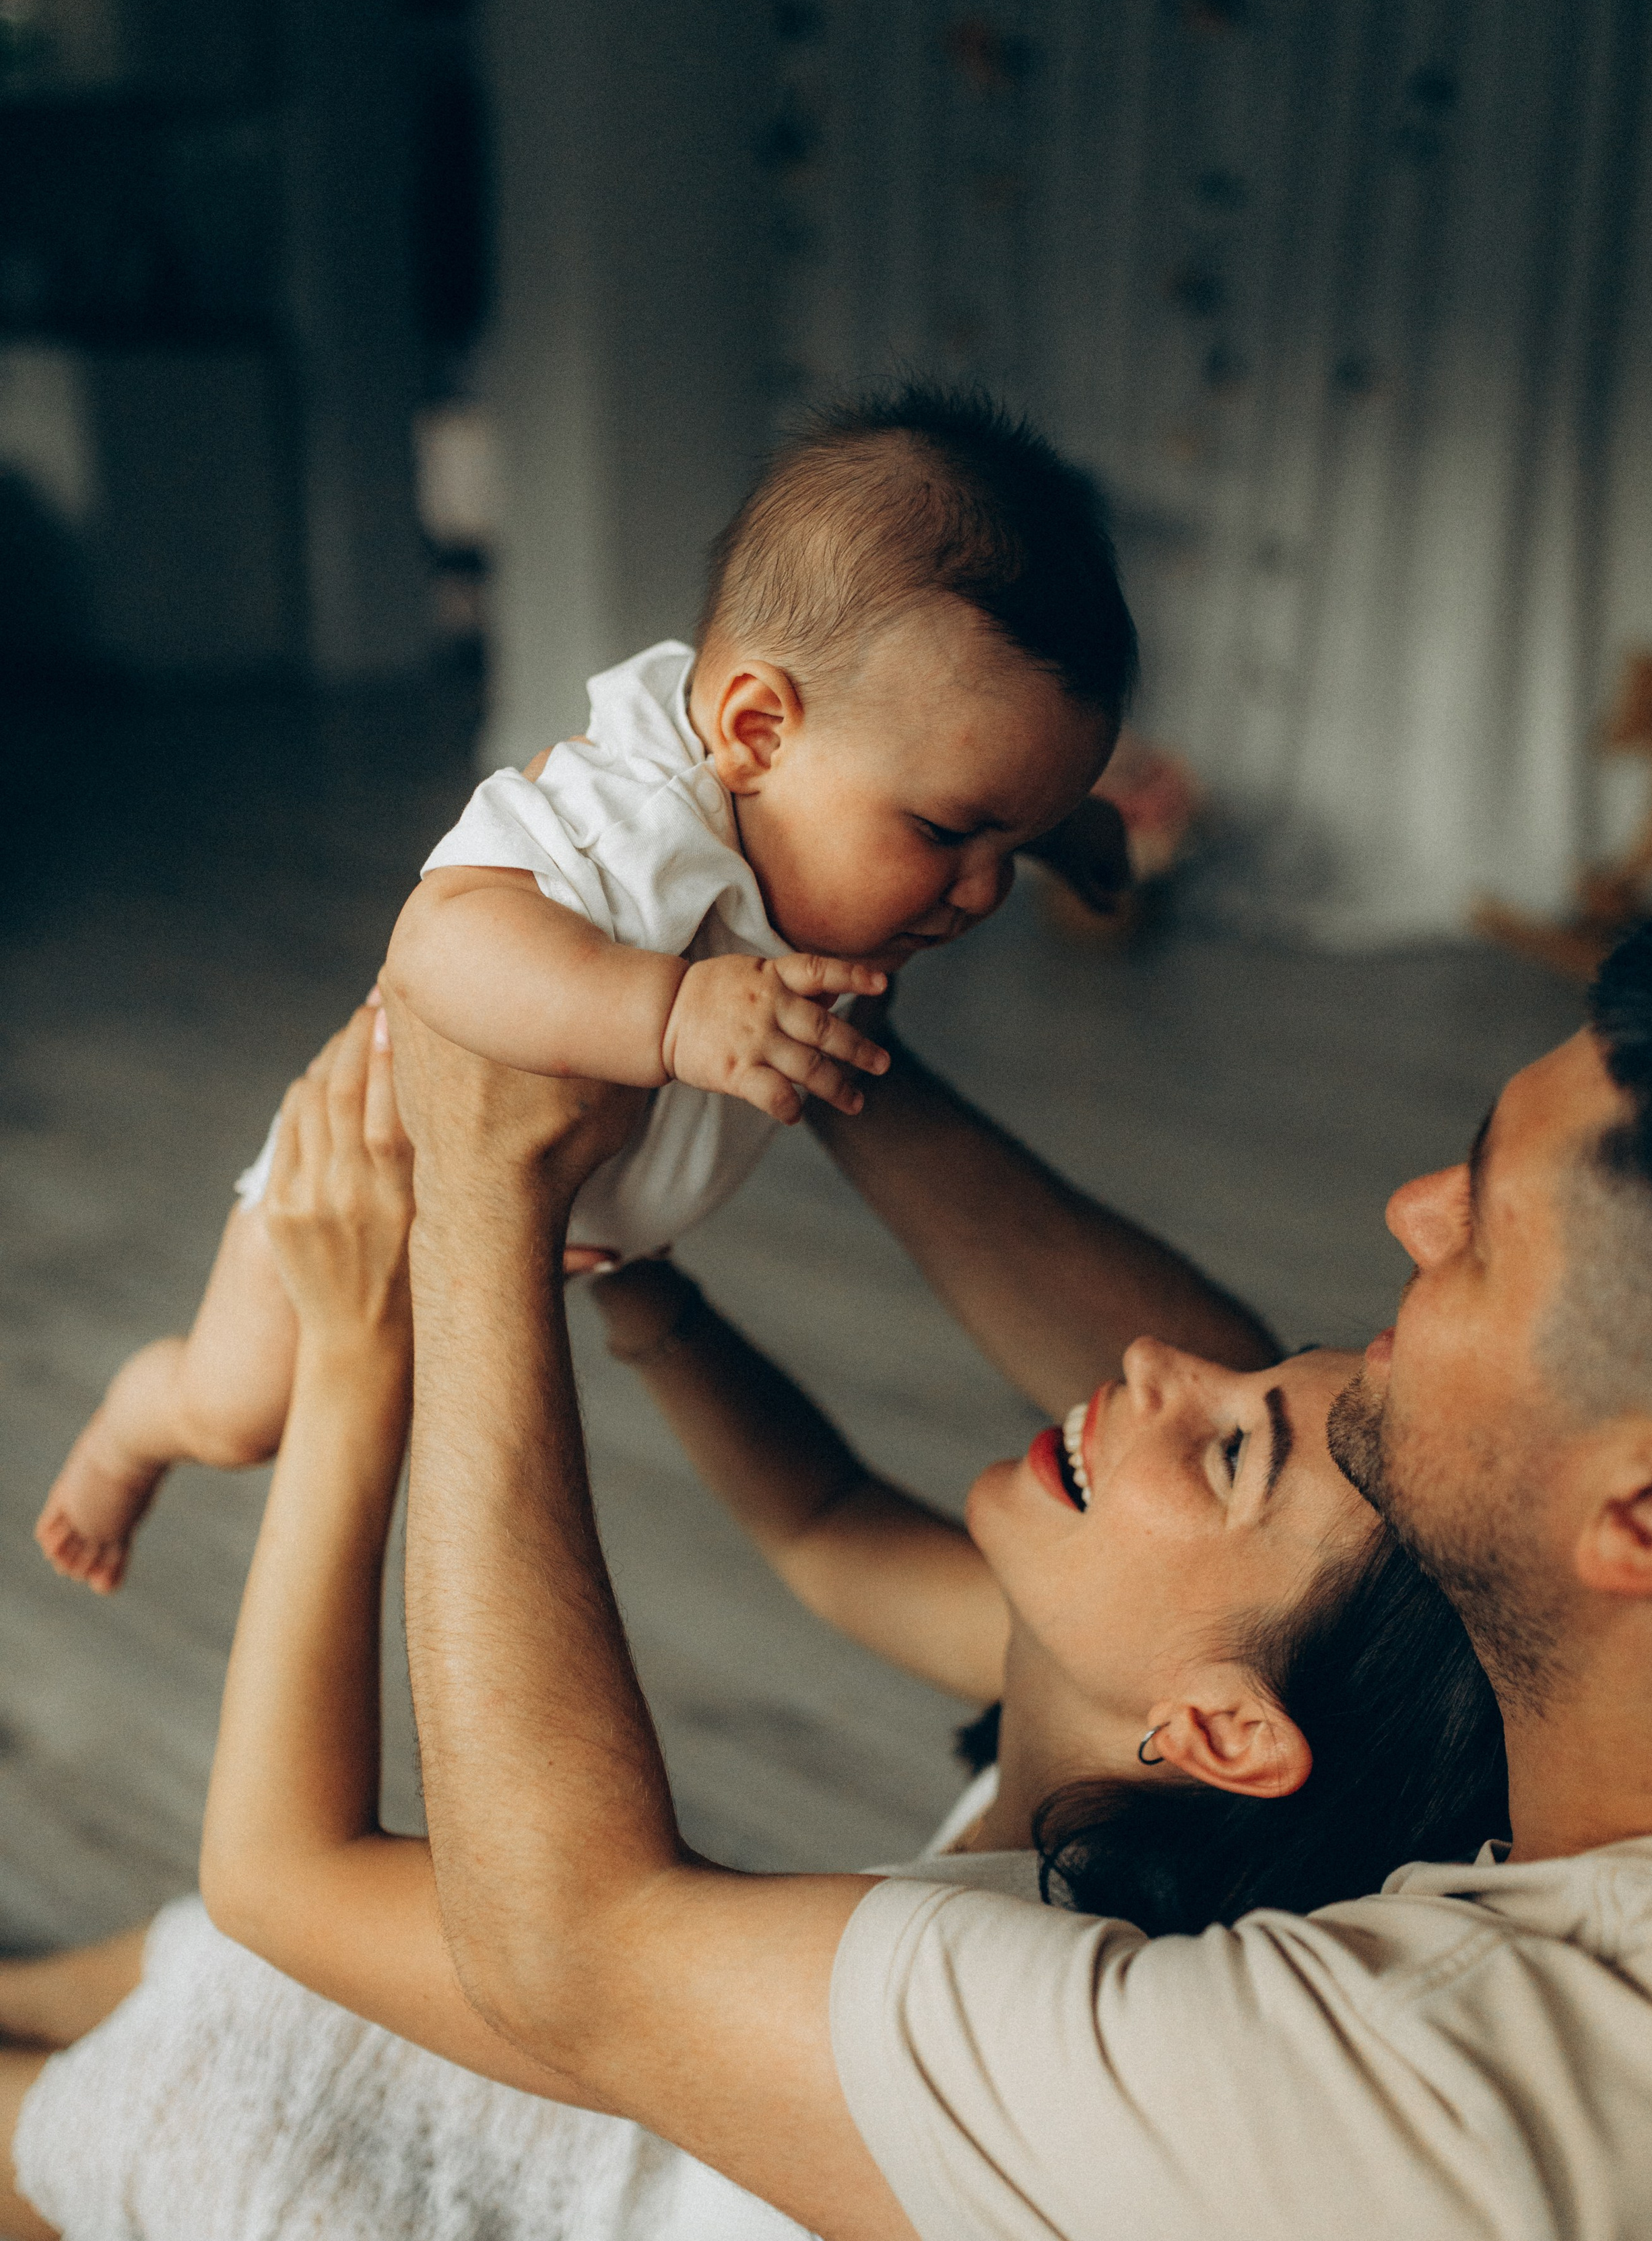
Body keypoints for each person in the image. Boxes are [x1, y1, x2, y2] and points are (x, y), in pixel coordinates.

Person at [1, 1005, 1503, 2241]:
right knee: (266, 1986)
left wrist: (369, 1344)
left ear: (1223, 1732)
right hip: (662, 2233)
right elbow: (820, 1521)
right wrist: (658, 1299)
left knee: (193, 2089)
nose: (1158, 1364)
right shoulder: (1146, 1738)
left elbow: (281, 1874)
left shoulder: (1033, 2010)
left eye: (1233, 1447)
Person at [355, 892, 1652, 2241]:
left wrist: (477, 1196)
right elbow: (1252, 1459)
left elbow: (566, 1946)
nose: (1410, 1210)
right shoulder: (1488, 1717)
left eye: (1484, 1231)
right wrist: (814, 1033)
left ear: (1644, 1516)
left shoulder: (1449, 2126)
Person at [35, 382, 1135, 1595]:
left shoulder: (849, 770)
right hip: (371, 1187)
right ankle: (133, 1423)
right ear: (757, 731)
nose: (979, 893)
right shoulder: (630, 818)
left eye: (1008, 838)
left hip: (542, 1233)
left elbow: (961, 768)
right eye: (947, 832)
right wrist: (665, 1012)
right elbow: (436, 943)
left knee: (417, 1421)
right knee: (243, 1415)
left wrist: (1053, 827)